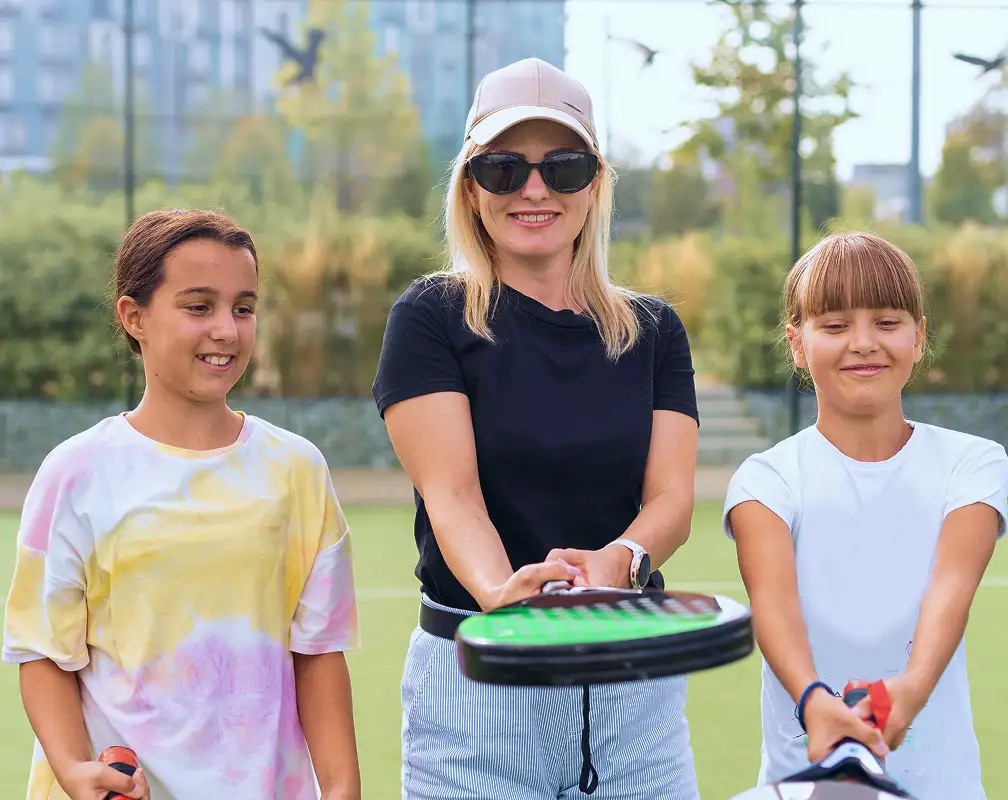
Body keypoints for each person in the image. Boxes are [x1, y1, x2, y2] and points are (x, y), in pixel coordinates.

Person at [372, 58, 701, 800]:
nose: (533, 189)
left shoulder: (654, 329)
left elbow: (671, 501)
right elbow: (451, 495)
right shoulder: (429, 318)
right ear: (468, 184)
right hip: (476, 687)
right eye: (502, 168)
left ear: (596, 181)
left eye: (563, 165)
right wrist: (507, 602)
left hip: (633, 694)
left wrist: (624, 557)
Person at [3, 209, 362, 800]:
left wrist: (343, 790)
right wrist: (73, 768)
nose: (226, 329)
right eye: (199, 307)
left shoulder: (297, 470)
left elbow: (318, 654)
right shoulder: (76, 474)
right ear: (134, 316)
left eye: (243, 308)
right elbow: (43, 654)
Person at [722, 232, 1008, 800]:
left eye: (887, 321)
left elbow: (951, 587)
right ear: (796, 343)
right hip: (801, 787)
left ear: (919, 336)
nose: (863, 343)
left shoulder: (974, 463)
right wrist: (814, 701)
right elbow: (773, 605)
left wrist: (914, 687)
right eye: (833, 326)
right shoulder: (767, 479)